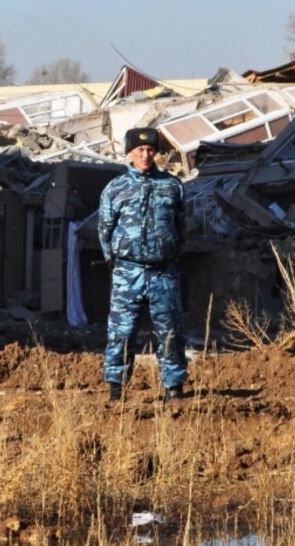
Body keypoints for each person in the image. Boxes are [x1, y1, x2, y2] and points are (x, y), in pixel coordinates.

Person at [98, 126, 188, 403]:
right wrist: (114, 261)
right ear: (130, 153)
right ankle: (116, 386)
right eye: (140, 151)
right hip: (128, 271)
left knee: (170, 330)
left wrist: (170, 253)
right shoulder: (116, 188)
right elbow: (105, 229)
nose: (145, 155)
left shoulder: (172, 186)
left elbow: (181, 226)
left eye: (150, 150)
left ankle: (173, 387)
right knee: (122, 331)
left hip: (163, 272)